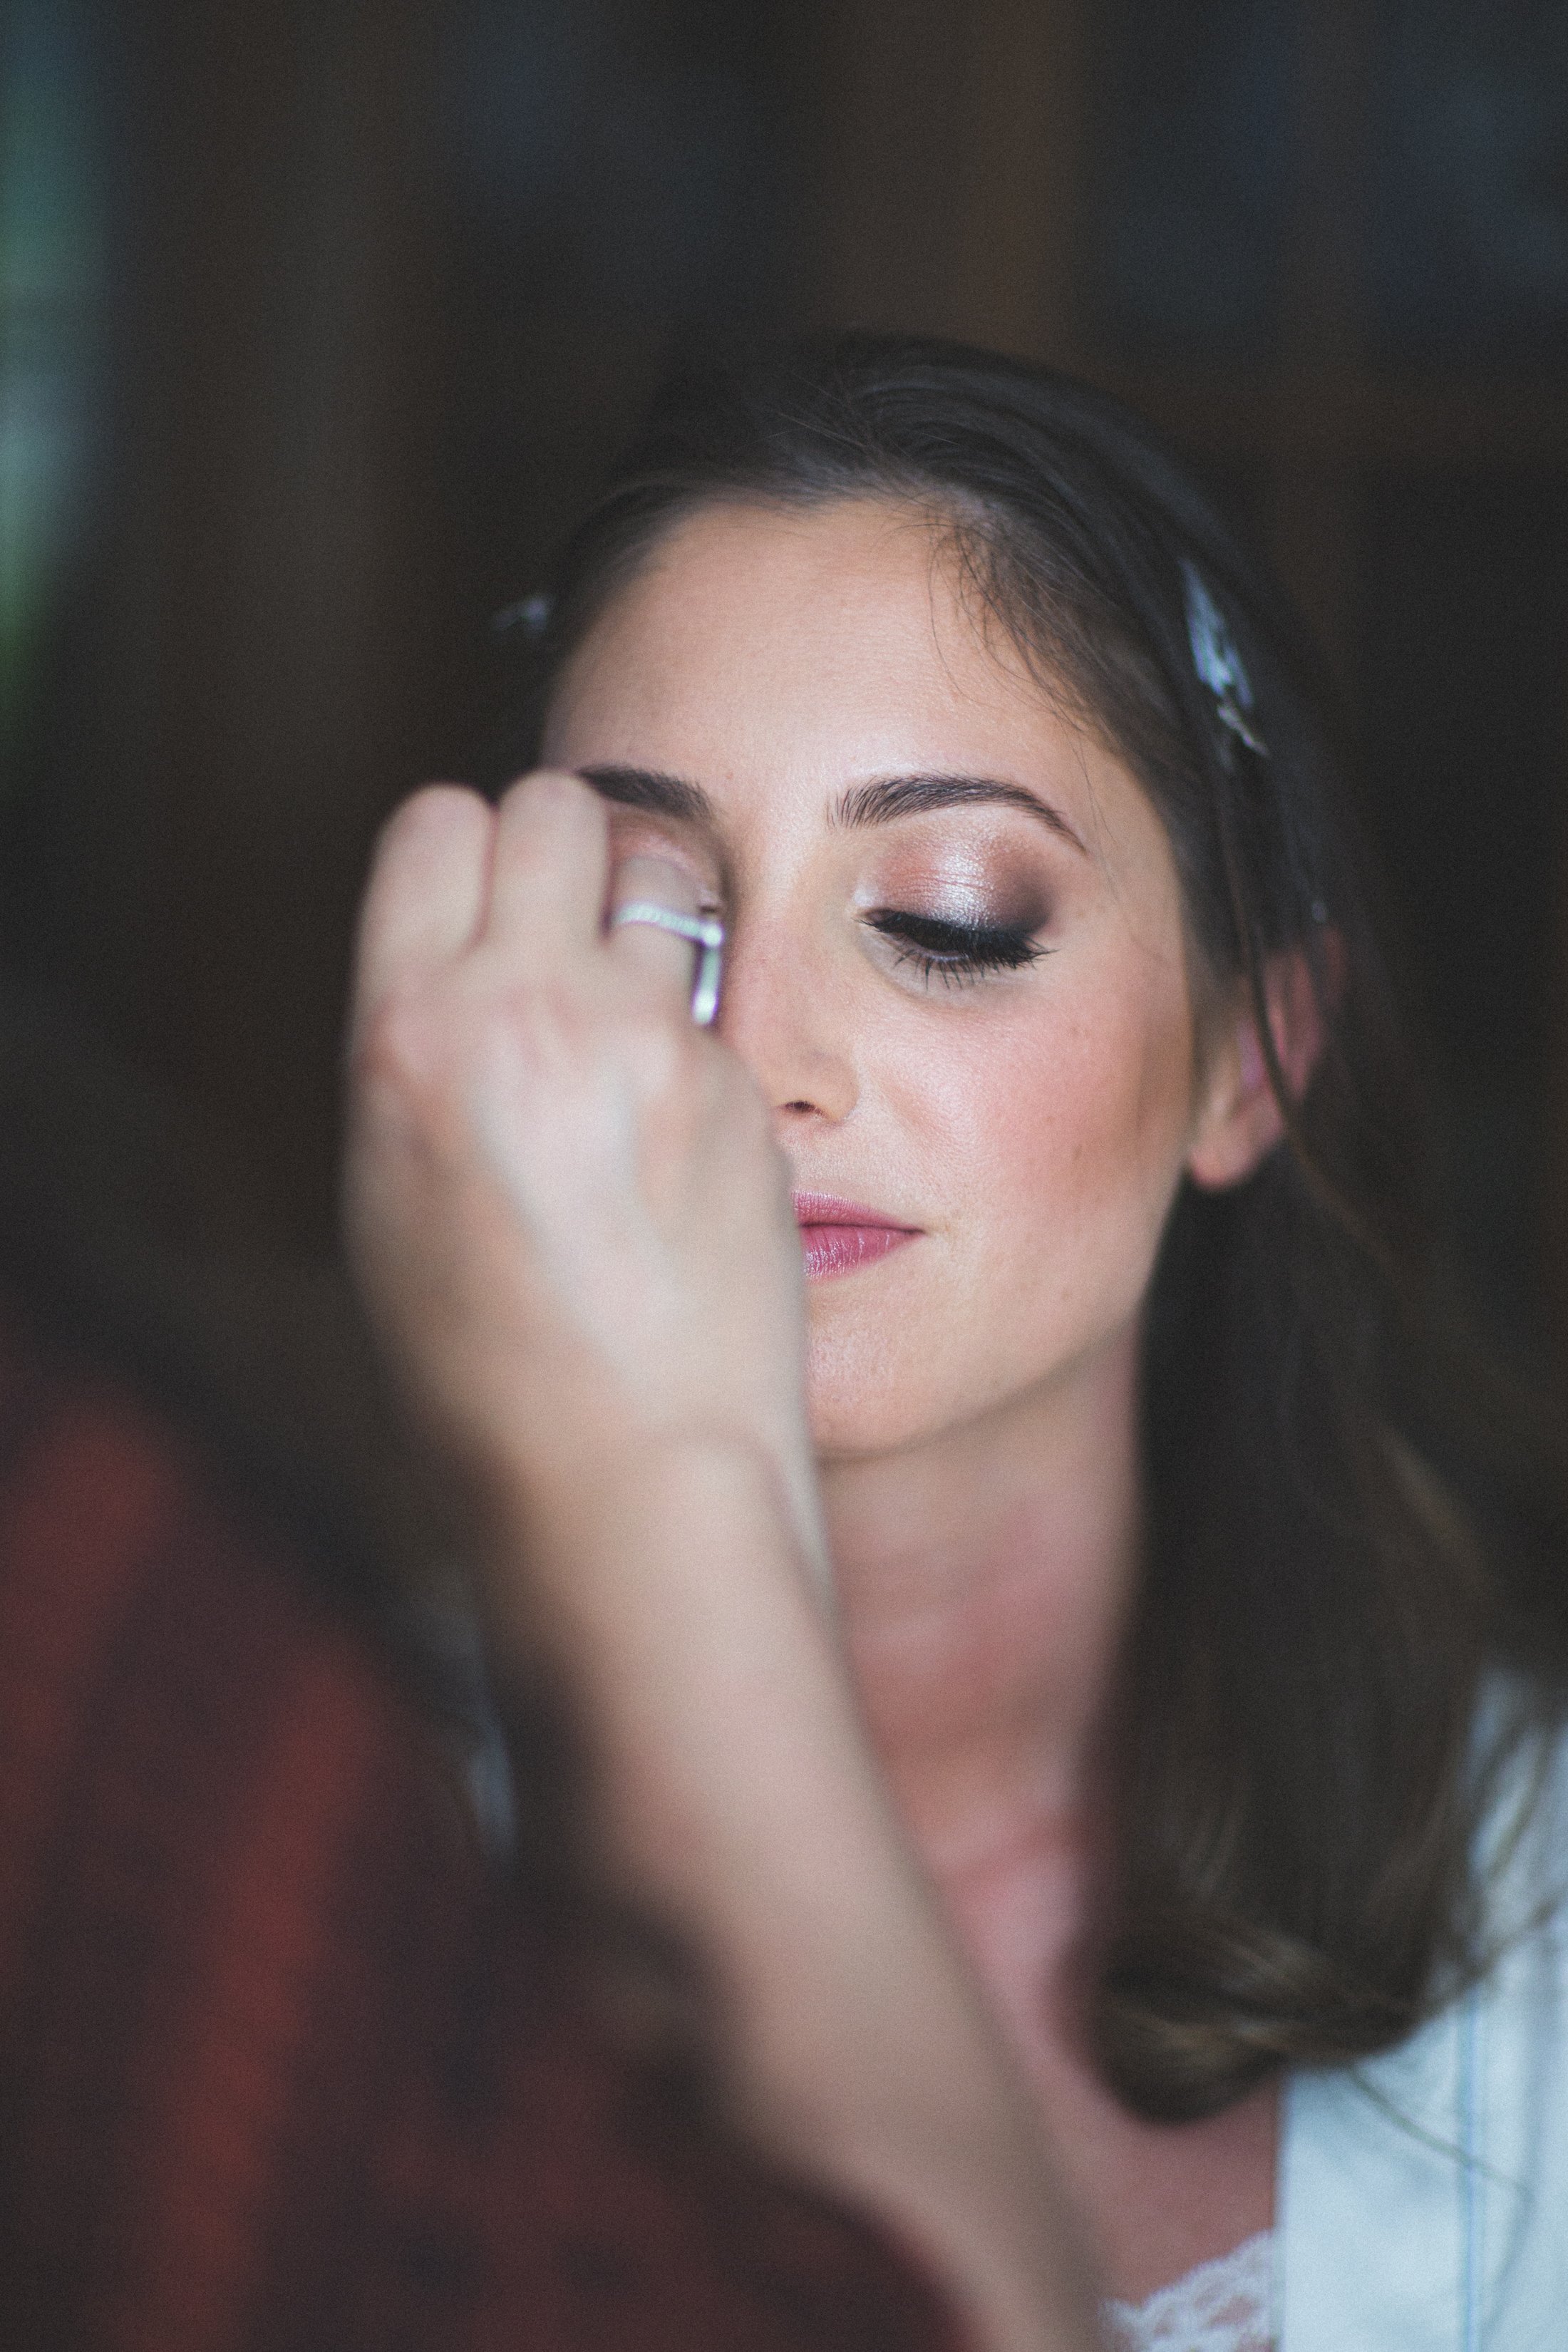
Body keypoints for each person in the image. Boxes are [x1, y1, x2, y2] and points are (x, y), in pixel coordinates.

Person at [343, 335, 1568, 2352]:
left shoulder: (1527, 1923)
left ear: (1254, 1054)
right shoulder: (291, 1828)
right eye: (656, 915)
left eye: (951, 912)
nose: (754, 1062)